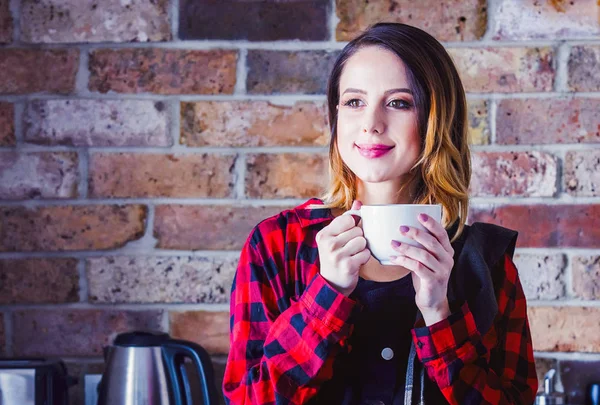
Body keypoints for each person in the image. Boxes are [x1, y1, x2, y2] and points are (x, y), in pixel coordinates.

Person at [223, 22, 538, 405]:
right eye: (354, 101)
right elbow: (249, 399)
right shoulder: (276, 245)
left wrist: (439, 313)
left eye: (399, 102)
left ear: (436, 120)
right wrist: (327, 294)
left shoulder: (486, 264)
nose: (371, 123)